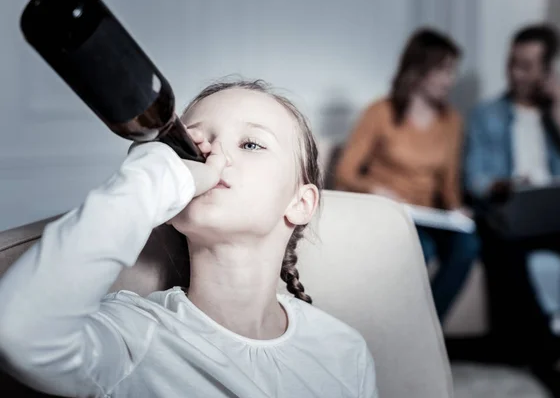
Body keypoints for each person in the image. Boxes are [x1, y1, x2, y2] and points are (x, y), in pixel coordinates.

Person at [0, 80, 378, 398]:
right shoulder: (134, 335)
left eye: (251, 144)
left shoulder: (344, 351)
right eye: (193, 144)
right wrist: (153, 178)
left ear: (300, 202)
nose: (212, 154)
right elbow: (20, 331)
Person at [464, 24, 560, 396]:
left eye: (526, 66)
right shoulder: (487, 114)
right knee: (498, 242)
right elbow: (474, 177)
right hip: (513, 213)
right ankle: (552, 354)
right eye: (512, 63)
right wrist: (502, 185)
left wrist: (558, 114)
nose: (515, 73)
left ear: (547, 71)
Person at [334, 29, 479, 323]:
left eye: (452, 71)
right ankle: (395, 329)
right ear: (418, 69)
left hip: (428, 215)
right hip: (389, 213)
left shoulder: (452, 122)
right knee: (419, 248)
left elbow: (448, 183)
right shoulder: (380, 112)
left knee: (468, 244)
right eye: (442, 70)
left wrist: (457, 210)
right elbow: (345, 172)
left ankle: (428, 330)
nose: (449, 80)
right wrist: (375, 189)